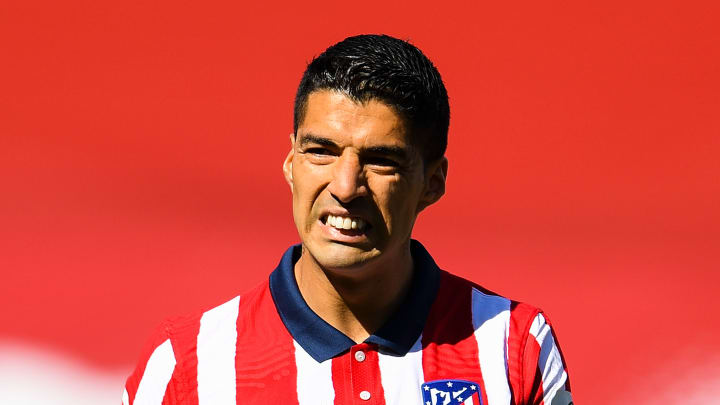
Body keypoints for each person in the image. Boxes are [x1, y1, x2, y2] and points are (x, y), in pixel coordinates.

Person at [123, 34, 573, 405]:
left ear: (432, 182)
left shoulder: (514, 346)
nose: (345, 186)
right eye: (321, 151)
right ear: (290, 163)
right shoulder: (188, 365)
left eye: (380, 161)